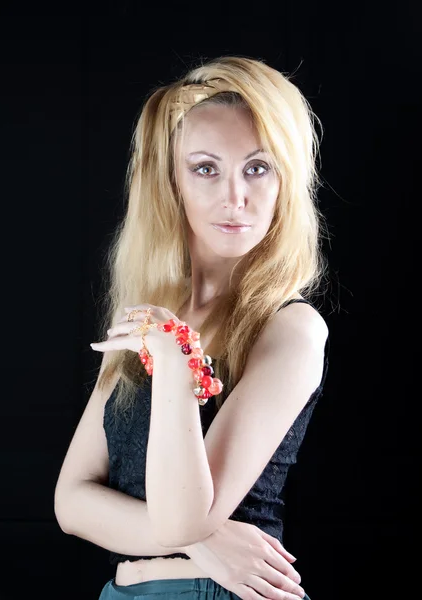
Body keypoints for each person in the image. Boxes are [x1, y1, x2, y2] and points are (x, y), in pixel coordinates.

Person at [54, 55, 330, 600]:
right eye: (206, 168)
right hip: (123, 591)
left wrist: (176, 365)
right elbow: (71, 502)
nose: (235, 198)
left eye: (258, 167)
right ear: (173, 182)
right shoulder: (152, 317)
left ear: (285, 181)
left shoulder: (291, 328)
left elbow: (185, 519)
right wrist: (211, 539)